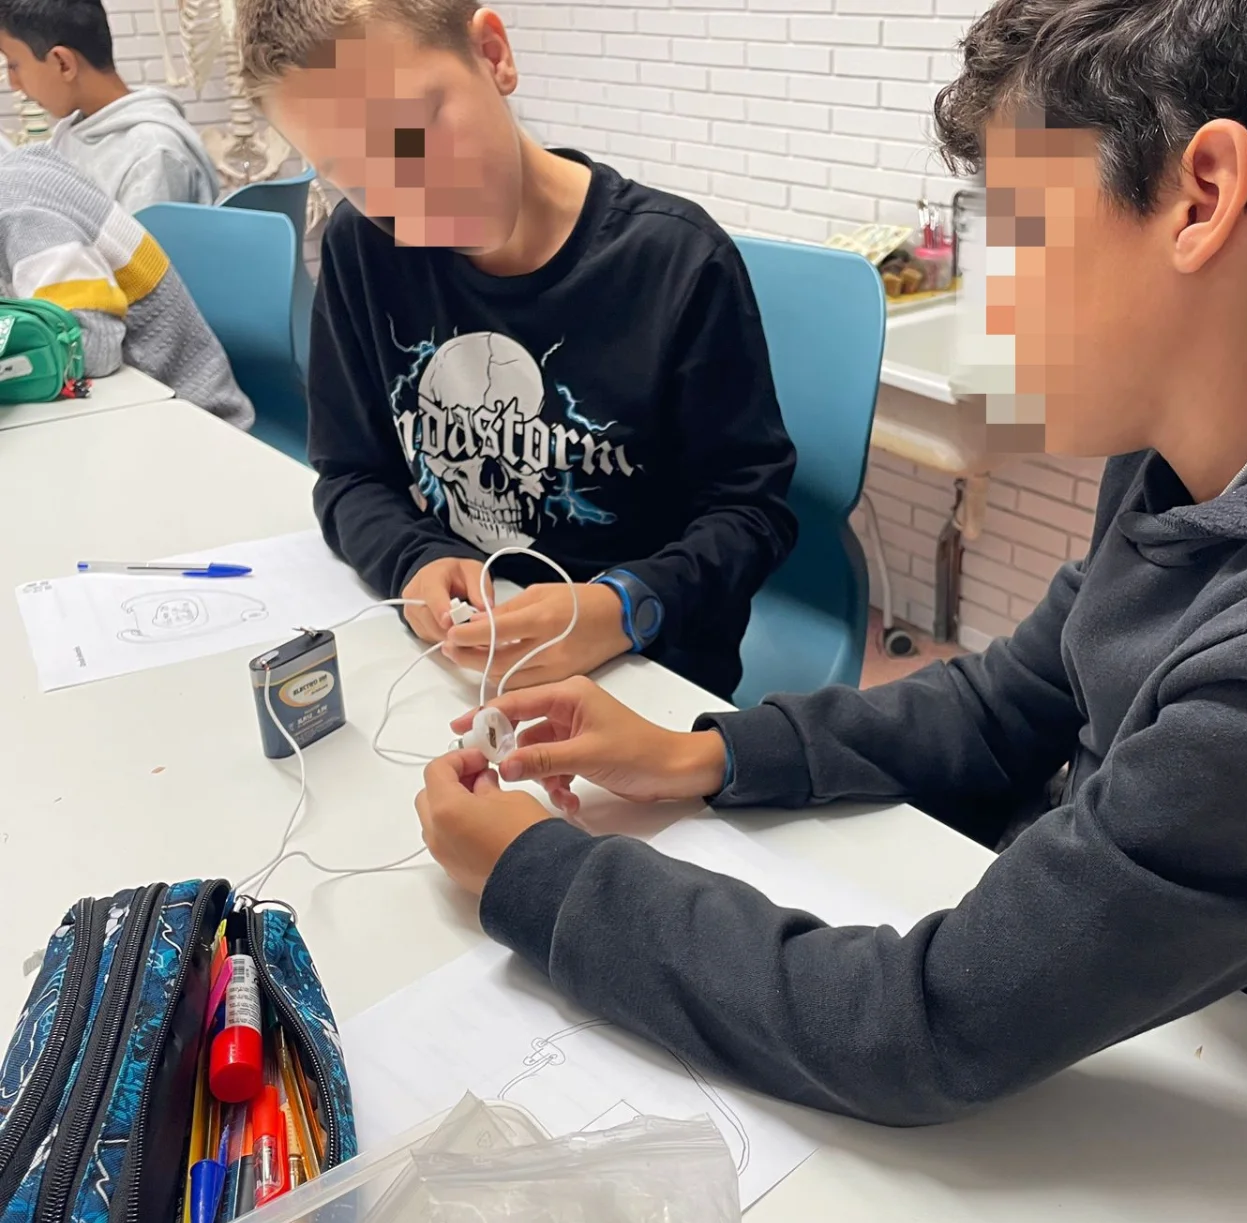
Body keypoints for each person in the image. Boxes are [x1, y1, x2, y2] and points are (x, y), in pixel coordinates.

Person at [414, 0, 1247, 1122]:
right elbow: (1013, 700)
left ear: (1203, 197)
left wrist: (539, 877)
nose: (992, 297)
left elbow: (924, 1025)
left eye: (1018, 230)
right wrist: (705, 752)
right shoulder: (1197, 451)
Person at [233, 1, 796, 702]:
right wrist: (414, 559)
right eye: (350, 170)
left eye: (413, 130)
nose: (406, 194)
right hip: (461, 665)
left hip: (646, 674)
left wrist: (625, 607)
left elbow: (751, 513)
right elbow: (350, 474)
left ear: (492, 54)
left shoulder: (676, 261)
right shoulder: (363, 247)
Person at [0, 146, 252, 426]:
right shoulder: (17, 173)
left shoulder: (23, 217)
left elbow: (95, 347)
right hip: (128, 408)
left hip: (193, 416)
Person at [0, 0, 219, 210]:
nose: (14, 84)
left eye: (13, 65)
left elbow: (141, 239)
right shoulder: (71, 133)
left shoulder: (153, 153)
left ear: (63, 63)